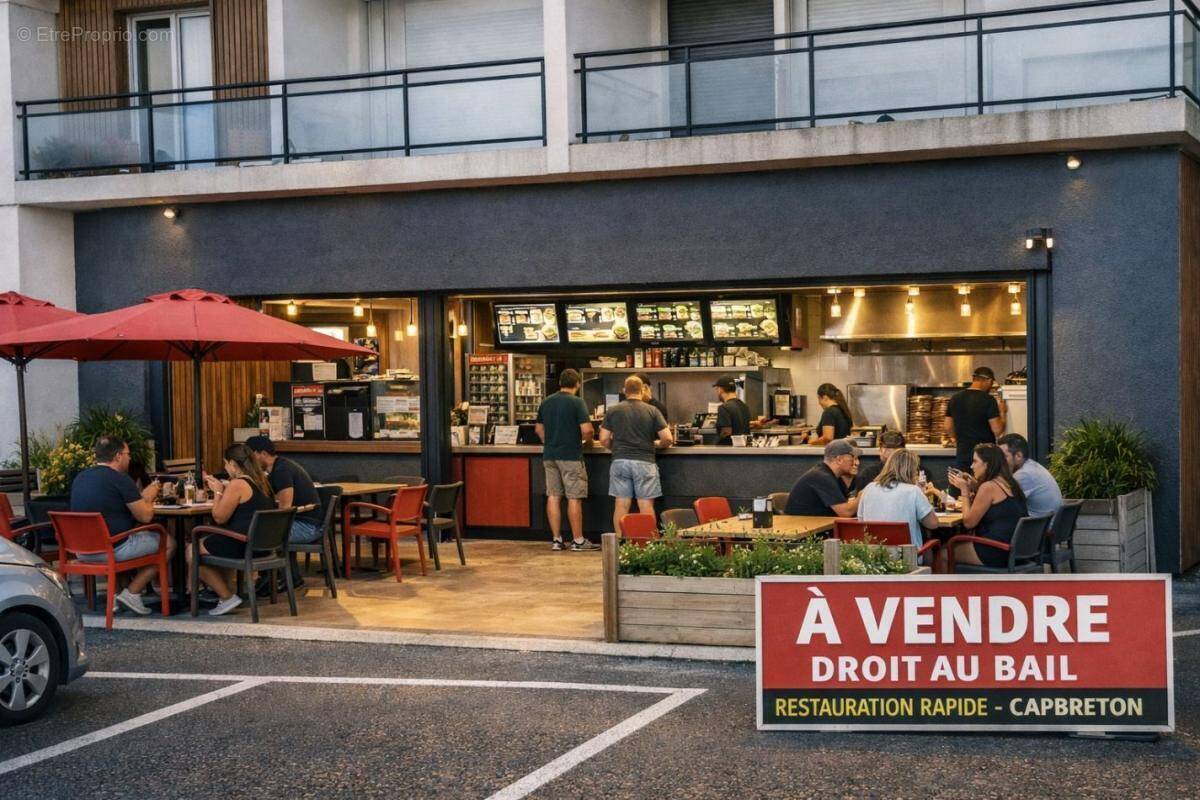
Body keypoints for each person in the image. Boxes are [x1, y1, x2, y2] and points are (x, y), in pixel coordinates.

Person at [69, 436, 172, 616]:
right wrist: (150, 497)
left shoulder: (80, 478)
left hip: (81, 550)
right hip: (111, 549)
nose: (129, 458)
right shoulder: (120, 479)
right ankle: (132, 592)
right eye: (127, 454)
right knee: (169, 542)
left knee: (126, 534)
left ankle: (118, 595)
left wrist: (143, 497)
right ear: (118, 456)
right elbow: (146, 516)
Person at [190, 443, 276, 616]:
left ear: (233, 464)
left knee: (191, 551)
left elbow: (219, 517)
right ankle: (226, 593)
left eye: (225, 464)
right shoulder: (262, 481)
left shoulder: (237, 484)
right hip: (264, 546)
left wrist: (218, 492)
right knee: (211, 542)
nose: (225, 467)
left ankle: (227, 596)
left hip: (244, 545)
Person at [245, 435, 323, 589]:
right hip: (306, 522)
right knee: (261, 530)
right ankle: (284, 578)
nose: (249, 462)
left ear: (262, 454)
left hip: (307, 527)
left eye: (251, 457)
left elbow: (284, 508)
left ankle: (269, 580)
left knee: (258, 534)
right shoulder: (278, 467)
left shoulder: (282, 470)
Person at [600, 375, 674, 534]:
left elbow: (604, 439)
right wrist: (657, 444)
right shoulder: (652, 410)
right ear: (642, 390)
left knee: (621, 504)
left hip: (619, 461)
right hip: (645, 462)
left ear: (624, 391)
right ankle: (648, 546)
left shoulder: (613, 410)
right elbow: (667, 438)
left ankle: (620, 544)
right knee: (645, 505)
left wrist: (616, 448)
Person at [535, 368, 594, 551]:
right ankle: (577, 541)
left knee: (553, 495)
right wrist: (588, 441)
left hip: (550, 455)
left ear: (560, 383)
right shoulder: (577, 403)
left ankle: (557, 540)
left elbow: (538, 429)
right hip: (571, 456)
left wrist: (550, 441)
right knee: (574, 497)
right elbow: (587, 430)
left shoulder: (546, 402)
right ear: (577, 384)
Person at [948, 443, 1028, 569]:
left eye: (975, 461)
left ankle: (946, 589)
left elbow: (968, 522)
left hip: (998, 550)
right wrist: (975, 486)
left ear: (987, 464)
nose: (971, 466)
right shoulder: (1011, 482)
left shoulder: (988, 487)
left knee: (944, 552)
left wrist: (964, 490)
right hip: (1018, 551)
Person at [857, 449, 939, 547]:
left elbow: (861, 522)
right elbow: (933, 524)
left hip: (874, 555)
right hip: (906, 556)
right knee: (933, 547)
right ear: (912, 470)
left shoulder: (869, 488)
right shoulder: (913, 491)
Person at [944, 367, 1005, 471]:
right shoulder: (989, 400)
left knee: (965, 484)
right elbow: (997, 430)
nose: (991, 387)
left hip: (963, 454)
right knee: (984, 486)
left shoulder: (955, 398)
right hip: (984, 457)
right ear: (989, 380)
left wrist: (955, 439)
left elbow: (948, 426)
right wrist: (1003, 412)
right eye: (991, 384)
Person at [784, 439, 861, 517]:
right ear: (839, 460)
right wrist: (863, 494)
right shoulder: (821, 477)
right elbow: (846, 513)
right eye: (852, 457)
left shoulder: (831, 476)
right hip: (801, 526)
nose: (856, 462)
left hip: (817, 524)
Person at [997, 432, 1063, 518]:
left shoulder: (1024, 475)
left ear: (1018, 456)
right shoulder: (1031, 466)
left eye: (1003, 456)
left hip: (1040, 529)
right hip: (1045, 526)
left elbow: (1001, 506)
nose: (999, 461)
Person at [713, 374, 751, 446]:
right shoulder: (744, 406)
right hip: (743, 450)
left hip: (728, 450)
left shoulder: (724, 407)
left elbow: (726, 432)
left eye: (717, 389)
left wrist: (716, 442)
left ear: (721, 389)